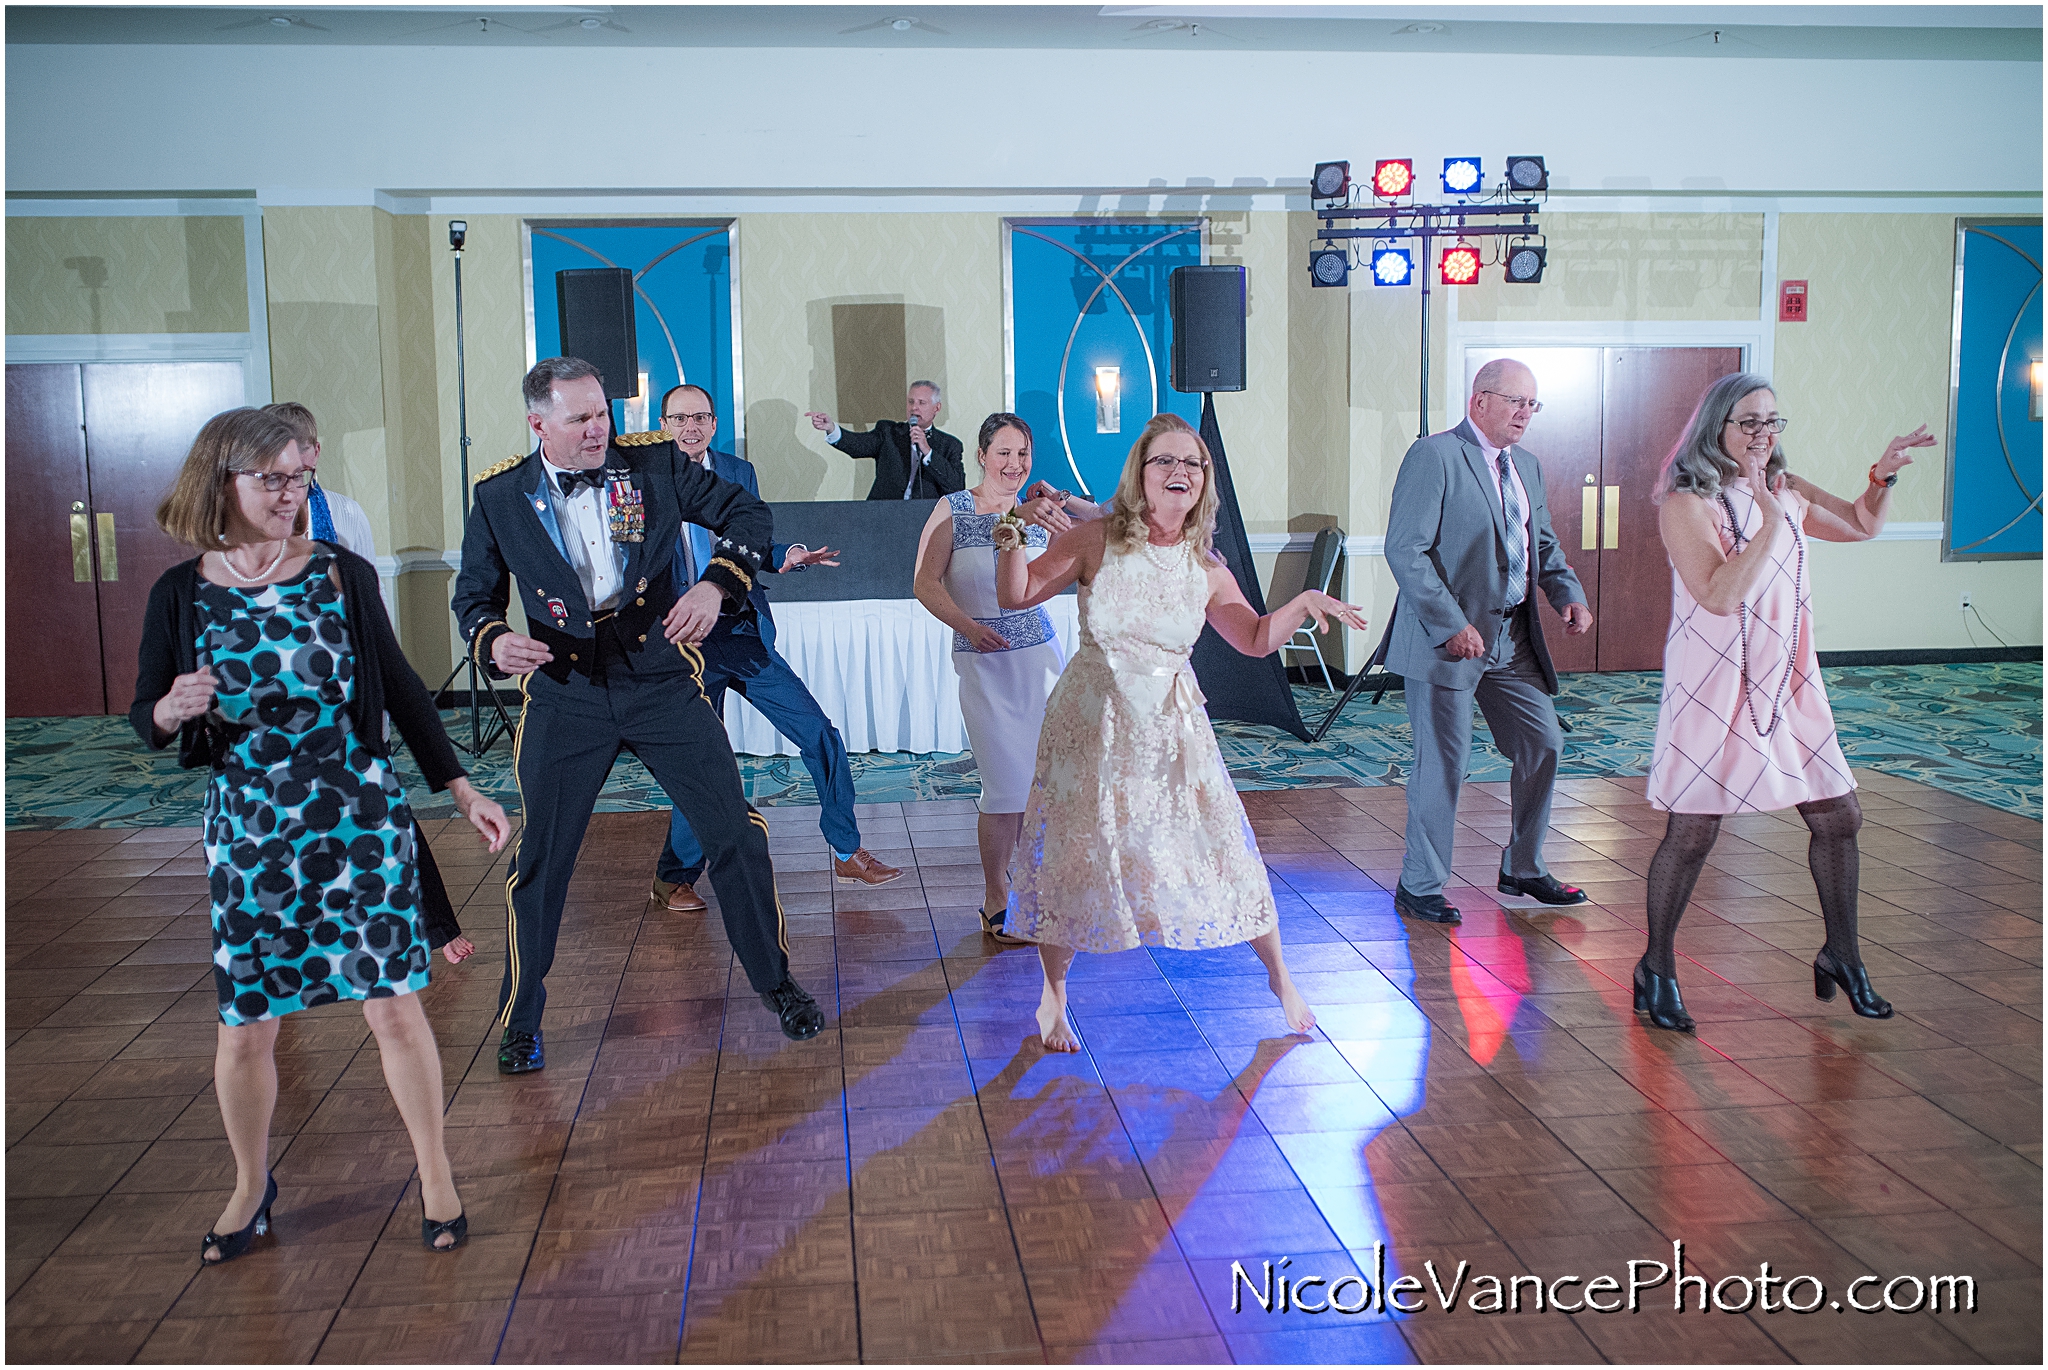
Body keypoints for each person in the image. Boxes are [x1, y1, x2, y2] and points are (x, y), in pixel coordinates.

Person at [131, 407, 511, 1263]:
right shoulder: (181, 593)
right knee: (247, 1025)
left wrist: (456, 783)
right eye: (271, 480)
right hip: (251, 832)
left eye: (299, 478)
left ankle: (437, 1173)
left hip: (355, 818)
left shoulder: (339, 573)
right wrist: (167, 711)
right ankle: (248, 1185)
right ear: (220, 480)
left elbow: (406, 687)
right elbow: (144, 714)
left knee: (395, 1008)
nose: (289, 493)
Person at [452, 357, 826, 1067]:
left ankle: (777, 986)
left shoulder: (652, 468)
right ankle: (521, 1020)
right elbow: (472, 598)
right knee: (542, 862)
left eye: (603, 413)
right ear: (540, 425)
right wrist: (495, 639)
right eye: (580, 419)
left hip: (659, 679)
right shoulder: (499, 495)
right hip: (567, 694)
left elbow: (745, 513)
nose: (599, 430)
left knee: (734, 833)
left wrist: (719, 584)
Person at [995, 413, 1368, 1050]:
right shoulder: (1095, 539)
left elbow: (1252, 638)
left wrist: (1302, 603)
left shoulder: (1207, 566)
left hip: (1172, 723)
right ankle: (1054, 997)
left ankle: (1280, 976)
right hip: (1093, 717)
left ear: (1204, 482)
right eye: (1165, 461)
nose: (1180, 472)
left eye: (1191, 464)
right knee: (1074, 854)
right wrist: (1010, 534)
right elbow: (1018, 594)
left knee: (1222, 842)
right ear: (1140, 475)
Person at [1635, 373, 1933, 1031]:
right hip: (1714, 683)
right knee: (1693, 830)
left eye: (1773, 422)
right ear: (1716, 428)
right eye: (1749, 422)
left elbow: (1859, 525)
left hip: (1787, 678)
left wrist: (1880, 477)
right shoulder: (1688, 503)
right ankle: (1656, 967)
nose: (1764, 434)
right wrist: (1769, 519)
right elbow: (1717, 594)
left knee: (1838, 817)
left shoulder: (1786, 489)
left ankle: (1842, 954)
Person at [644, 384, 902, 911]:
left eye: (700, 417)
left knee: (819, 733)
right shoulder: (643, 480)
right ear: (663, 424)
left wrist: (787, 554)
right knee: (703, 763)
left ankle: (847, 850)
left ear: (714, 424)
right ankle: (675, 877)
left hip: (741, 633)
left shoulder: (737, 472)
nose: (690, 427)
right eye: (679, 419)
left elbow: (752, 539)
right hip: (684, 645)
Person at [263, 401, 478, 967]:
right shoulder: (239, 525)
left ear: (314, 453)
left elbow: (370, 612)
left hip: (350, 692)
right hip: (276, 706)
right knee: (283, 826)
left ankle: (435, 924)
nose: (292, 463)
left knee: (386, 810)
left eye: (300, 449)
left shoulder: (342, 514)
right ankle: (292, 935)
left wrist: (378, 698)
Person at [1382, 359, 1594, 926]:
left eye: (1533, 405)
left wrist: (1566, 592)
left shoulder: (1526, 465)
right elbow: (1406, 549)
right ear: (1479, 402)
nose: (1526, 414)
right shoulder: (1435, 456)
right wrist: (1451, 623)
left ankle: (1523, 867)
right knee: (1444, 763)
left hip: (1512, 638)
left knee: (1542, 742)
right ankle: (1419, 884)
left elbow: (1542, 543)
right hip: (1445, 640)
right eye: (1515, 402)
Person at [912, 413, 1064, 943]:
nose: (1014, 464)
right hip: (983, 659)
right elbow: (926, 583)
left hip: (1039, 659)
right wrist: (970, 628)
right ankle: (996, 896)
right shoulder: (952, 509)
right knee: (1003, 785)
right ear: (981, 455)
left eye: (1023, 454)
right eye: (1003, 453)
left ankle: (1033, 889)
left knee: (1041, 784)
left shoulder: (1040, 511)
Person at [806, 380, 966, 500]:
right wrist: (831, 428)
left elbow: (956, 487)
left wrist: (927, 451)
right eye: (911, 402)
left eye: (921, 403)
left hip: (925, 521)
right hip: (883, 515)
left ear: (936, 408)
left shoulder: (950, 445)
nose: (914, 408)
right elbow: (858, 445)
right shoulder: (889, 432)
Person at [261, 401, 375, 557]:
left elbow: (369, 580)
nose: (292, 459)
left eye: (302, 448)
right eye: (281, 450)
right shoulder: (252, 514)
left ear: (316, 452)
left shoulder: (350, 513)